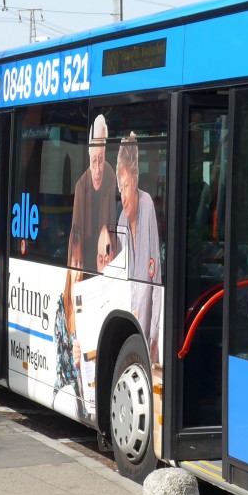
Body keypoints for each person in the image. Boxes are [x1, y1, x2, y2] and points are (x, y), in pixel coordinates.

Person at [114, 132, 162, 363]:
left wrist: (154, 334)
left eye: (126, 186)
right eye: (120, 188)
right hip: (127, 327)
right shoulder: (121, 219)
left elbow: (156, 276)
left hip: (147, 332)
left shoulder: (146, 204)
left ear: (135, 181)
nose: (123, 195)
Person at [69, 114, 117, 275]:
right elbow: (75, 235)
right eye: (93, 161)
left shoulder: (111, 177)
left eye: (101, 160)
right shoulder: (81, 187)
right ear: (89, 156)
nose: (97, 170)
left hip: (105, 260)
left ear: (105, 153)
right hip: (85, 259)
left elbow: (113, 228)